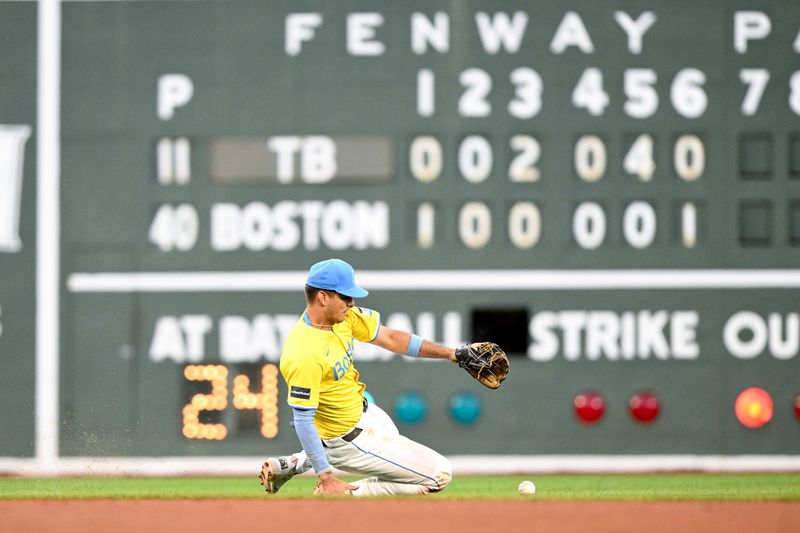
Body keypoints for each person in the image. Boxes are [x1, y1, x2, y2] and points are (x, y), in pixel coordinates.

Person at [259, 258, 457, 496]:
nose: (351, 303)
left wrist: (450, 353)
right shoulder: (304, 353)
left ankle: (294, 463)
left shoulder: (343, 318)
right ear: (323, 297)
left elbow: (392, 338)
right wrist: (327, 476)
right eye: (345, 296)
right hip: (348, 441)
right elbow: (303, 420)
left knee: (403, 465)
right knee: (439, 474)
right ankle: (344, 493)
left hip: (369, 415)